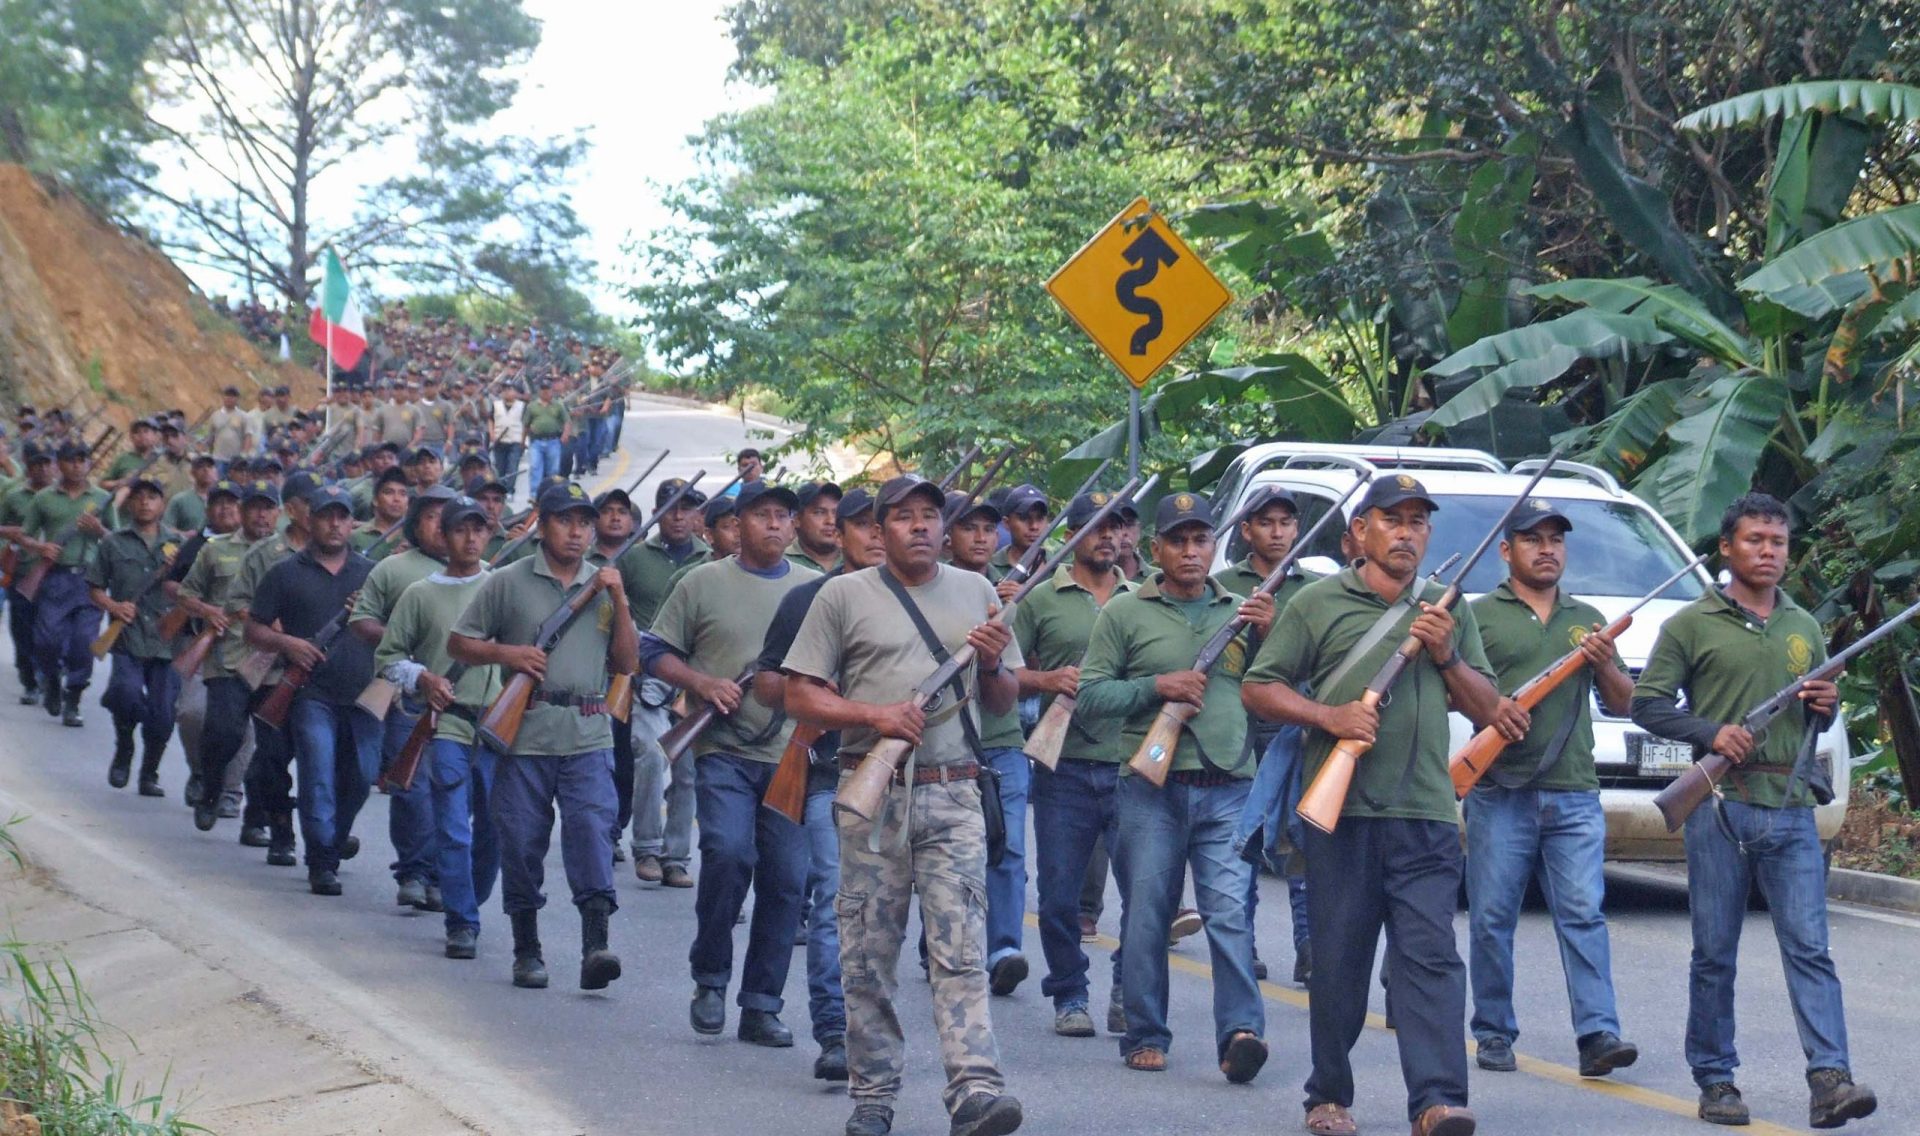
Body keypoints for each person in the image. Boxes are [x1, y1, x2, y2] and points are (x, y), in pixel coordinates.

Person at [1241, 473, 1517, 1136]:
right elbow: (1259, 687)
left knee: (1431, 963)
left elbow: (1491, 712)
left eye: (1418, 521)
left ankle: (1437, 1101)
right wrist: (1329, 716)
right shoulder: (1315, 603)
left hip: (1424, 814)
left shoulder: (1448, 609)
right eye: (1392, 519)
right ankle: (1327, 1096)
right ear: (1359, 532)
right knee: (1339, 962)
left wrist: (1449, 656)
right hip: (1344, 817)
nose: (1407, 532)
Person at [782, 474, 1025, 1136]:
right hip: (873, 790)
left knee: (961, 948)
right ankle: (874, 1095)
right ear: (877, 528)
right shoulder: (841, 595)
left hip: (954, 790)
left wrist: (999, 665)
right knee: (867, 954)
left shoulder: (978, 591)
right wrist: (875, 714)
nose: (920, 526)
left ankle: (975, 1088)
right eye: (904, 517)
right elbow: (798, 696)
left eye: (930, 516)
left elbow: (1001, 705)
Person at [1631, 492, 1876, 1130]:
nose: (1768, 553)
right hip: (1718, 805)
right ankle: (1716, 1079)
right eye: (1755, 541)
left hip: (1792, 808)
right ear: (1727, 548)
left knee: (1811, 950)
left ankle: (1831, 1078)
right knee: (1715, 951)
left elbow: (1817, 722)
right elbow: (1648, 704)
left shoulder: (1802, 625)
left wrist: (1822, 704)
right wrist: (1711, 733)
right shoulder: (1690, 623)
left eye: (1778, 543)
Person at [1074, 491, 1269, 1082]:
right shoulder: (1125, 613)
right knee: (1147, 917)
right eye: (1178, 540)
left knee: (1230, 915)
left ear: (1215, 545)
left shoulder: (1246, 610)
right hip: (1151, 790)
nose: (1191, 551)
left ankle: (1242, 1033)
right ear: (1156, 548)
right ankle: (1144, 1032)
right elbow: (1090, 696)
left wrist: (1270, 633)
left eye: (1201, 539)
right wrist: (1158, 686)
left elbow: (1282, 687)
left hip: (1230, 783)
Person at [1463, 499, 1640, 1079]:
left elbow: (1621, 702)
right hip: (1499, 788)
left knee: (1584, 914)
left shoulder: (1587, 617)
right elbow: (1449, 690)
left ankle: (1598, 1033)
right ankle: (1492, 1031)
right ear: (1506, 549)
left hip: (1574, 792)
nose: (1547, 549)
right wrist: (1497, 709)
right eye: (1533, 539)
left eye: (1555, 540)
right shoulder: (1478, 616)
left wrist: (1606, 661)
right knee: (1492, 917)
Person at [644, 482, 819, 1046]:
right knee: (725, 852)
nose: (773, 525)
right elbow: (652, 651)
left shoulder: (815, 589)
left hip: (792, 756)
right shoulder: (701, 582)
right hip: (722, 749)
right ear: (736, 524)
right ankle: (711, 977)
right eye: (760, 515)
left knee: (788, 882)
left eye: (782, 516)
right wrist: (701, 682)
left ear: (793, 528)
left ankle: (762, 1003)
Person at [448, 481, 638, 991]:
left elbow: (626, 662)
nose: (577, 532)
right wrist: (509, 656)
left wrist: (618, 599)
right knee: (521, 842)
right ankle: (526, 948)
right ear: (541, 523)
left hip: (587, 732)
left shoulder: (603, 583)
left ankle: (595, 944)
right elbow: (460, 642)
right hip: (526, 732)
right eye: (564, 520)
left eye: (584, 522)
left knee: (594, 832)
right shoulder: (507, 581)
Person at [752, 486, 883, 1083]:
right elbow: (768, 685)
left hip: (916, 774)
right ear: (842, 534)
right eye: (864, 525)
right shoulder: (809, 598)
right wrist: (821, 692)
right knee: (837, 905)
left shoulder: (936, 600)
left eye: (889, 523)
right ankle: (836, 1032)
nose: (878, 534)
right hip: (832, 771)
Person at [1009, 490, 1135, 1038]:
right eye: (1097, 527)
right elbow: (1002, 673)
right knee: (1059, 894)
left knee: (1145, 893)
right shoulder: (1041, 599)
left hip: (1133, 766)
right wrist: (1048, 680)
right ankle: (1070, 992)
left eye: (1118, 527)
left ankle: (1130, 986)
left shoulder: (1144, 596)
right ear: (1073, 536)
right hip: (1064, 766)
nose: (1109, 537)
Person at [374, 496, 503, 960]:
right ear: (444, 537)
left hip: (498, 727)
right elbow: (387, 658)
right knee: (452, 828)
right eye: (461, 530)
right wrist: (423, 679)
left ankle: (468, 894)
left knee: (495, 829)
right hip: (447, 724)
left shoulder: (503, 587)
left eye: (479, 529)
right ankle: (462, 920)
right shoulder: (419, 594)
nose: (471, 539)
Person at [246, 485, 380, 897]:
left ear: (353, 522)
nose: (335, 524)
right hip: (311, 695)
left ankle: (334, 841)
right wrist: (289, 645)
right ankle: (321, 860)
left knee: (361, 777)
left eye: (343, 516)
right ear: (309, 520)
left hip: (365, 694)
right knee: (317, 774)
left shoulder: (373, 574)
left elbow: (398, 628)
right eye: (326, 516)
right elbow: (253, 628)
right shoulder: (284, 572)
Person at [1215, 486, 1317, 985]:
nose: (1277, 532)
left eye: (1285, 523)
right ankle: (1244, 946)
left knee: (1302, 838)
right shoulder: (1220, 585)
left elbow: (1319, 661)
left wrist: (1275, 628)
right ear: (1246, 530)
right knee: (1245, 840)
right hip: (1239, 728)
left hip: (1295, 724)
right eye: (1266, 523)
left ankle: (1309, 947)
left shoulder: (1317, 590)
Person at [350, 486, 457, 912]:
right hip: (408, 695)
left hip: (460, 700)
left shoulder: (479, 572)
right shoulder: (394, 569)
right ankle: (412, 870)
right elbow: (362, 621)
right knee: (412, 788)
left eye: (449, 517)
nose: (442, 526)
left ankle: (437, 875)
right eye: (432, 517)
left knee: (449, 792)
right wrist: (401, 641)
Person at [943, 492, 1031, 998]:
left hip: (999, 741)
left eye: (987, 529)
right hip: (944, 743)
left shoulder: (1005, 591)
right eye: (968, 528)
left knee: (1008, 848)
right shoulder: (929, 588)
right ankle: (945, 939)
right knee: (949, 855)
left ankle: (1002, 949)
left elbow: (1011, 686)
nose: (980, 538)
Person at [615, 478, 709, 886]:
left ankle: (676, 858)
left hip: (691, 681)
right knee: (652, 757)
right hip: (646, 678)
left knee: (688, 770)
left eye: (687, 507)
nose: (679, 515)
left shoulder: (709, 560)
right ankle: (647, 849)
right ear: (657, 512)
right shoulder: (634, 558)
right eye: (670, 507)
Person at [229, 473, 316, 865]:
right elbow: (241, 604)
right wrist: (273, 628)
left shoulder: (349, 559)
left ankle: (328, 830)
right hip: (274, 669)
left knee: (322, 759)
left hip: (322, 675)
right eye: (311, 505)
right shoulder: (266, 554)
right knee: (274, 754)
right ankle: (278, 827)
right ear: (292, 509)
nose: (321, 515)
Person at [175, 479, 266, 831]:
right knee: (207, 722)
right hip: (224, 653)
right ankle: (208, 780)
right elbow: (185, 594)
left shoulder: (287, 554)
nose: (260, 514)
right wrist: (208, 612)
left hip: (269, 657)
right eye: (254, 507)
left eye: (267, 507)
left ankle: (239, 800)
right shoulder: (213, 549)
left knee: (262, 739)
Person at [87, 476, 182, 798]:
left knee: (164, 714)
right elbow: (95, 587)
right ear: (130, 503)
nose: (145, 502)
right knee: (124, 693)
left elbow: (194, 591)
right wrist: (114, 606)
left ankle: (149, 772)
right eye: (139, 497)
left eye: (152, 497)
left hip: (166, 640)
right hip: (127, 636)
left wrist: (176, 574)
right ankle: (124, 745)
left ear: (162, 503)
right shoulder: (113, 542)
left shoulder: (178, 546)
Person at [20, 441, 113, 726]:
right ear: (59, 463)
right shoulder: (44, 498)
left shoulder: (102, 498)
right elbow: (25, 535)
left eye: (82, 459)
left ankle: (73, 697)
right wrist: (40, 547)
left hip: (90, 580)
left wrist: (100, 531)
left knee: (84, 643)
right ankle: (50, 679)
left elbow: (118, 540)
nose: (77, 465)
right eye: (71, 459)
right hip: (55, 577)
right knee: (46, 640)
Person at [0, 446, 54, 703]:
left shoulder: (63, 497)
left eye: (47, 464)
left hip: (56, 574)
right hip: (22, 571)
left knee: (51, 629)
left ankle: (49, 673)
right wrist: (16, 535)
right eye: (37, 464)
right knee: (22, 629)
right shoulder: (13, 496)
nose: (42, 469)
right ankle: (29, 679)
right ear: (27, 467)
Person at [988, 485, 1049, 590]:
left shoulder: (1062, 569)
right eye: (1024, 518)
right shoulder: (989, 568)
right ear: (1007, 523)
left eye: (1040, 518)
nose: (1034, 526)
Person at [522, 383, 568, 492]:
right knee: (535, 468)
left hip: (553, 441)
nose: (545, 392)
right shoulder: (532, 406)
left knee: (553, 470)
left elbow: (566, 421)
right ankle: (534, 495)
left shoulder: (558, 405)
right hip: (536, 442)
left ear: (551, 391)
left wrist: (565, 435)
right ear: (539, 391)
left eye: (547, 389)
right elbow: (525, 425)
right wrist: (523, 440)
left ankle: (551, 492)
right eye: (543, 389)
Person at [789, 481, 842, 573]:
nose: (831, 521)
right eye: (819, 512)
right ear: (797, 519)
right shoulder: (779, 562)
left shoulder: (856, 559)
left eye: (835, 513)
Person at [163, 454, 219, 535]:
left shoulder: (225, 500)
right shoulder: (180, 500)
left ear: (216, 472)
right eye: (200, 467)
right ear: (192, 473)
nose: (206, 470)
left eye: (210, 466)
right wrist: (184, 534)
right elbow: (165, 529)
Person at [207, 386, 255, 474]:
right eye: (227, 395)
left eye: (233, 396)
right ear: (223, 397)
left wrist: (244, 456)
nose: (230, 398)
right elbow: (210, 437)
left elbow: (248, 436)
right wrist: (209, 454)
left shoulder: (244, 416)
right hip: (218, 458)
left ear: (237, 399)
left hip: (235, 461)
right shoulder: (215, 415)